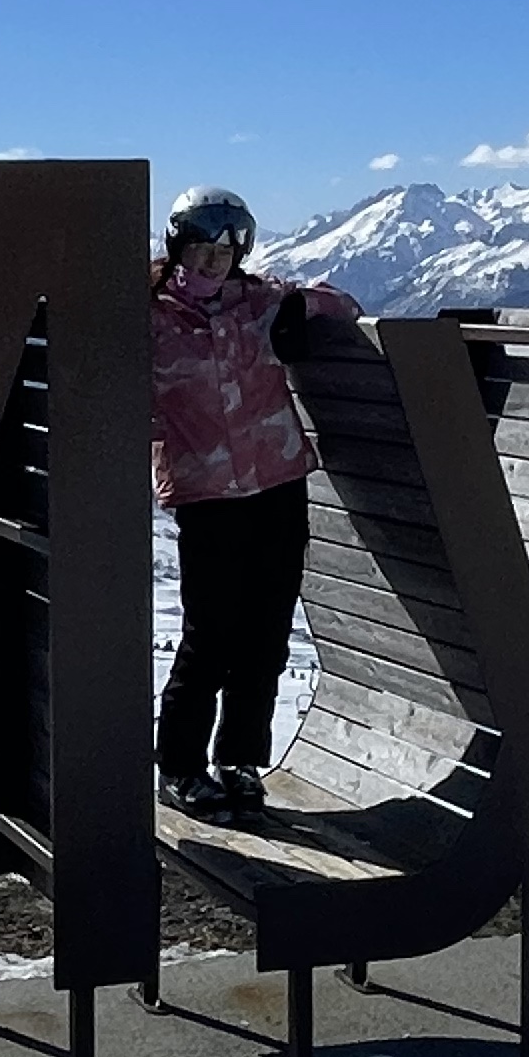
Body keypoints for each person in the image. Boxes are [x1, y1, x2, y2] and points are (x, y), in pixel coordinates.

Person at [151, 185, 358, 819]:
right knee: (210, 636)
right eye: (203, 249)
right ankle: (179, 768)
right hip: (207, 494)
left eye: (226, 251)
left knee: (266, 635)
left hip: (278, 484)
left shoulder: (260, 301)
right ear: (178, 245)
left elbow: (342, 305)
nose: (215, 262)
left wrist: (300, 307)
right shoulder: (148, 316)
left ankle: (239, 761)